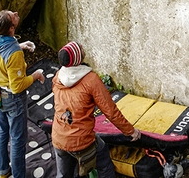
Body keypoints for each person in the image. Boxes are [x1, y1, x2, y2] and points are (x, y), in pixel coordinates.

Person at [51, 41, 141, 178]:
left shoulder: (58, 77)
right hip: (81, 140)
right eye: (80, 48)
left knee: (63, 174)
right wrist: (130, 131)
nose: (83, 48)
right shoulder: (91, 80)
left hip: (59, 136)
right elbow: (110, 111)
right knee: (103, 161)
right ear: (78, 58)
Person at [0, 9, 45, 178]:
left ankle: (2, 170)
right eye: (13, 16)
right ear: (11, 28)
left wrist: (19, 45)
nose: (17, 12)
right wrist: (35, 75)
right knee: (18, 140)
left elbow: (1, 54)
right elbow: (17, 86)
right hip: (13, 98)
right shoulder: (14, 54)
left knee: (2, 130)